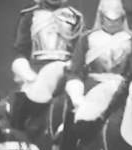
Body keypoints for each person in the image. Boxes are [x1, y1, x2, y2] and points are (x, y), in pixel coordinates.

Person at [48, 0, 132, 150]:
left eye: (117, 20)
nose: (112, 23)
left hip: (122, 90)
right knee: (71, 118)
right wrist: (77, 94)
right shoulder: (87, 39)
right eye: (109, 19)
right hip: (92, 87)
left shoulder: (131, 41)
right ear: (101, 17)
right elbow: (75, 70)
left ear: (123, 18)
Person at [10, 0, 84, 131]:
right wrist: (25, 71)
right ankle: (18, 132)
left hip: (67, 69)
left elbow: (81, 48)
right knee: (22, 100)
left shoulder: (75, 16)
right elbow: (21, 49)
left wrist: (73, 66)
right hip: (36, 69)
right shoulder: (29, 14)